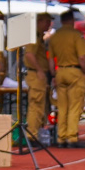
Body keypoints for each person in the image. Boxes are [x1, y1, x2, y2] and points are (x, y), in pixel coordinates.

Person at [48, 10, 85, 148]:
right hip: (74, 71)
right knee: (74, 106)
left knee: (62, 107)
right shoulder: (76, 35)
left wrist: (54, 74)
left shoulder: (54, 37)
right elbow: (82, 57)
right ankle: (72, 137)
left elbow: (50, 59)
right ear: (71, 20)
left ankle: (61, 137)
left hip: (60, 71)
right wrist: (84, 71)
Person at [23, 12, 54, 140]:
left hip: (37, 74)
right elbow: (29, 54)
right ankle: (32, 135)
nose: (49, 24)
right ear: (39, 21)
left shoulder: (40, 36)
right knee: (36, 106)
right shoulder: (34, 36)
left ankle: (35, 133)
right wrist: (40, 70)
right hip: (35, 75)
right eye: (46, 21)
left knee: (40, 106)